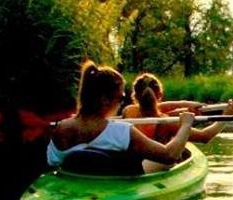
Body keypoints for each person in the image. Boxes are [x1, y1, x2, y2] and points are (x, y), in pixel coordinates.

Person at [46, 61, 196, 173]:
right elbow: (169, 155)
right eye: (121, 97)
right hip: (113, 185)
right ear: (105, 100)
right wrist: (186, 125)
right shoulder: (122, 131)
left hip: (74, 181)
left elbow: (52, 162)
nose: (122, 102)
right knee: (167, 163)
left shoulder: (61, 128)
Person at [121, 72, 233, 144]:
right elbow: (204, 136)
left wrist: (186, 106)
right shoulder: (166, 122)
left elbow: (161, 107)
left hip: (131, 164)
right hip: (153, 167)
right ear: (160, 95)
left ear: (135, 96)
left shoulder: (128, 111)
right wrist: (225, 117)